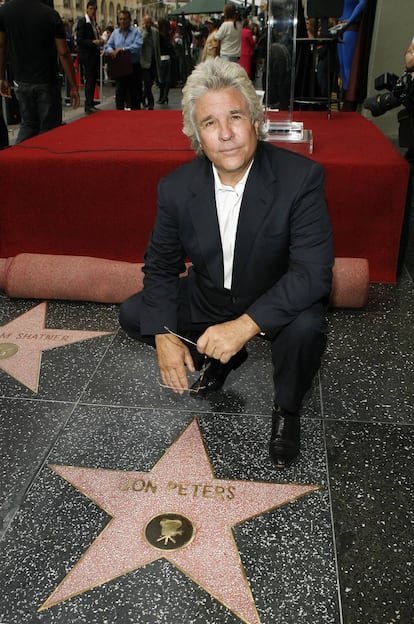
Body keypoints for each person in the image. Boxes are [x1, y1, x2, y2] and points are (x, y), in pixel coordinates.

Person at [119, 58, 334, 470]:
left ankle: (287, 411)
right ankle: (222, 357)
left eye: (235, 116)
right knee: (136, 313)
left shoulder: (300, 179)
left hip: (276, 294)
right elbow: (160, 266)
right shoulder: (177, 188)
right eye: (210, 123)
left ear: (255, 120)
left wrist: (242, 327)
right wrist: (165, 335)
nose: (226, 134)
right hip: (211, 292)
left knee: (306, 329)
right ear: (197, 136)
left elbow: (313, 272)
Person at [0, 0, 80, 144]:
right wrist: (73, 85)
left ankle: (18, 159)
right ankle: (43, 162)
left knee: (28, 124)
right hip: (46, 80)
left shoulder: (5, 11)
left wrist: (1, 77)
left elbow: (1, 46)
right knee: (49, 130)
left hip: (21, 79)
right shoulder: (50, 14)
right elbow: (64, 52)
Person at [104, 10, 142, 110]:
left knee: (134, 95)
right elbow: (107, 46)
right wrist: (111, 51)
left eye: (124, 19)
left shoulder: (136, 32)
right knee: (120, 93)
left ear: (129, 20)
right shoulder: (115, 33)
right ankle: (119, 115)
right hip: (120, 67)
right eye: (120, 19)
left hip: (133, 67)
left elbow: (137, 46)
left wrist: (123, 50)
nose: (122, 21)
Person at [76, 1, 103, 114]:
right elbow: (80, 40)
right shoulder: (83, 22)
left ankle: (91, 102)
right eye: (91, 8)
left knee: (93, 80)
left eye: (94, 9)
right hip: (87, 56)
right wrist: (94, 42)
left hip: (94, 55)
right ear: (87, 9)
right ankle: (88, 104)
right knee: (90, 80)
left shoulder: (93, 22)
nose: (93, 11)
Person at [333, 0, 366, 94]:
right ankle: (346, 98)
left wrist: (349, 22)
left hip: (350, 27)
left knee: (348, 67)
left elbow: (363, 3)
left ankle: (350, 99)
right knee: (342, 68)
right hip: (341, 27)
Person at [139, 14, 161, 110]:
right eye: (146, 22)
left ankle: (142, 98)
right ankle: (150, 102)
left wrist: (158, 61)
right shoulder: (140, 31)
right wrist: (145, 32)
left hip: (153, 61)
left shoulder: (155, 32)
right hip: (144, 62)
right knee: (147, 82)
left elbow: (157, 47)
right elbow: (140, 42)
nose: (148, 24)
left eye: (149, 22)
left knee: (150, 83)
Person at [157, 18, 174, 105]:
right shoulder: (167, 35)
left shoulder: (159, 35)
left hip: (161, 58)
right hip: (168, 58)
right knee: (167, 78)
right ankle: (165, 95)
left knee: (162, 79)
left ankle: (161, 96)